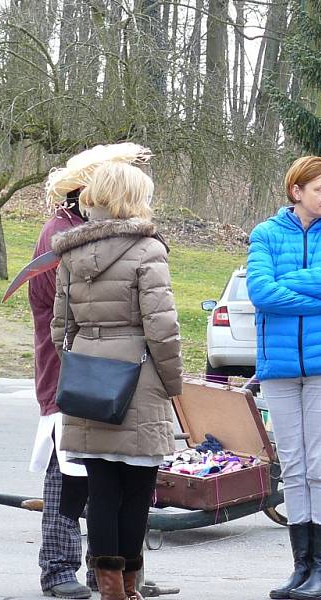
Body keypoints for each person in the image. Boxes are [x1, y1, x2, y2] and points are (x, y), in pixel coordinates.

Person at [51, 161, 183, 600]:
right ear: (132, 198)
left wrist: (79, 363)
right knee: (138, 490)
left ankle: (109, 590)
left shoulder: (69, 252)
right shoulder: (149, 251)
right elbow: (161, 328)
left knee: (102, 489)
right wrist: (172, 384)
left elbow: (59, 327)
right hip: (139, 378)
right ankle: (129, 586)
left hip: (89, 378)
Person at [28, 144, 152, 599]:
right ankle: (58, 568)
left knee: (121, 475)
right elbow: (59, 312)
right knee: (71, 476)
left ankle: (119, 573)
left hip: (118, 377)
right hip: (73, 373)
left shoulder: (107, 233)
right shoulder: (61, 233)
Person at [246, 155, 321, 600]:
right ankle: (300, 569)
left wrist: (289, 285)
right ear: (297, 192)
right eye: (320, 189)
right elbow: (260, 291)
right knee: (293, 467)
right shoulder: (266, 234)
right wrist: (320, 290)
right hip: (279, 367)